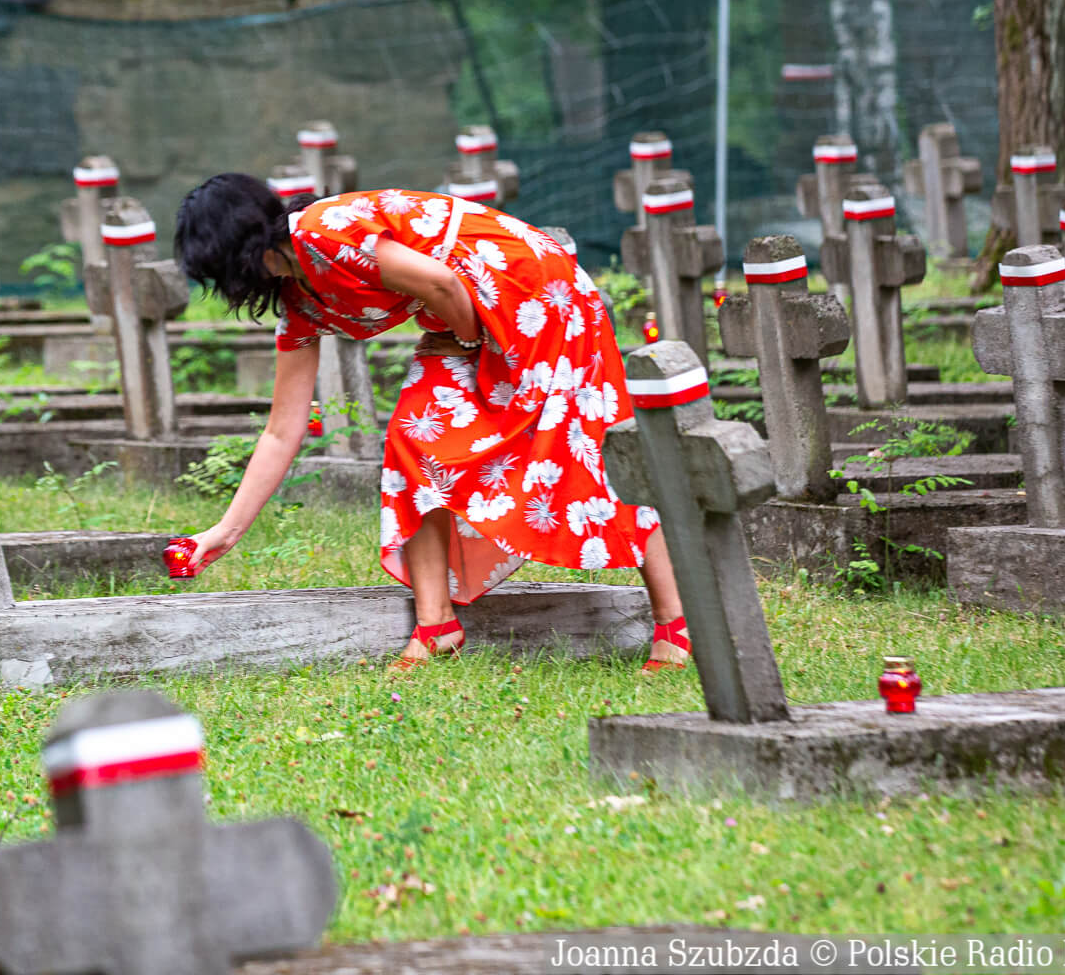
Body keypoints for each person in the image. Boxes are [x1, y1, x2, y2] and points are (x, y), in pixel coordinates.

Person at [174, 174, 688, 670]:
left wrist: (466, 340)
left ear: (238, 252)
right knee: (413, 437)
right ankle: (436, 625)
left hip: (530, 291)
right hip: (462, 312)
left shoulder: (321, 231)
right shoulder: (300, 301)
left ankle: (676, 624)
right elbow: (281, 430)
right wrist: (225, 531)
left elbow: (440, 280)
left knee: (581, 453)